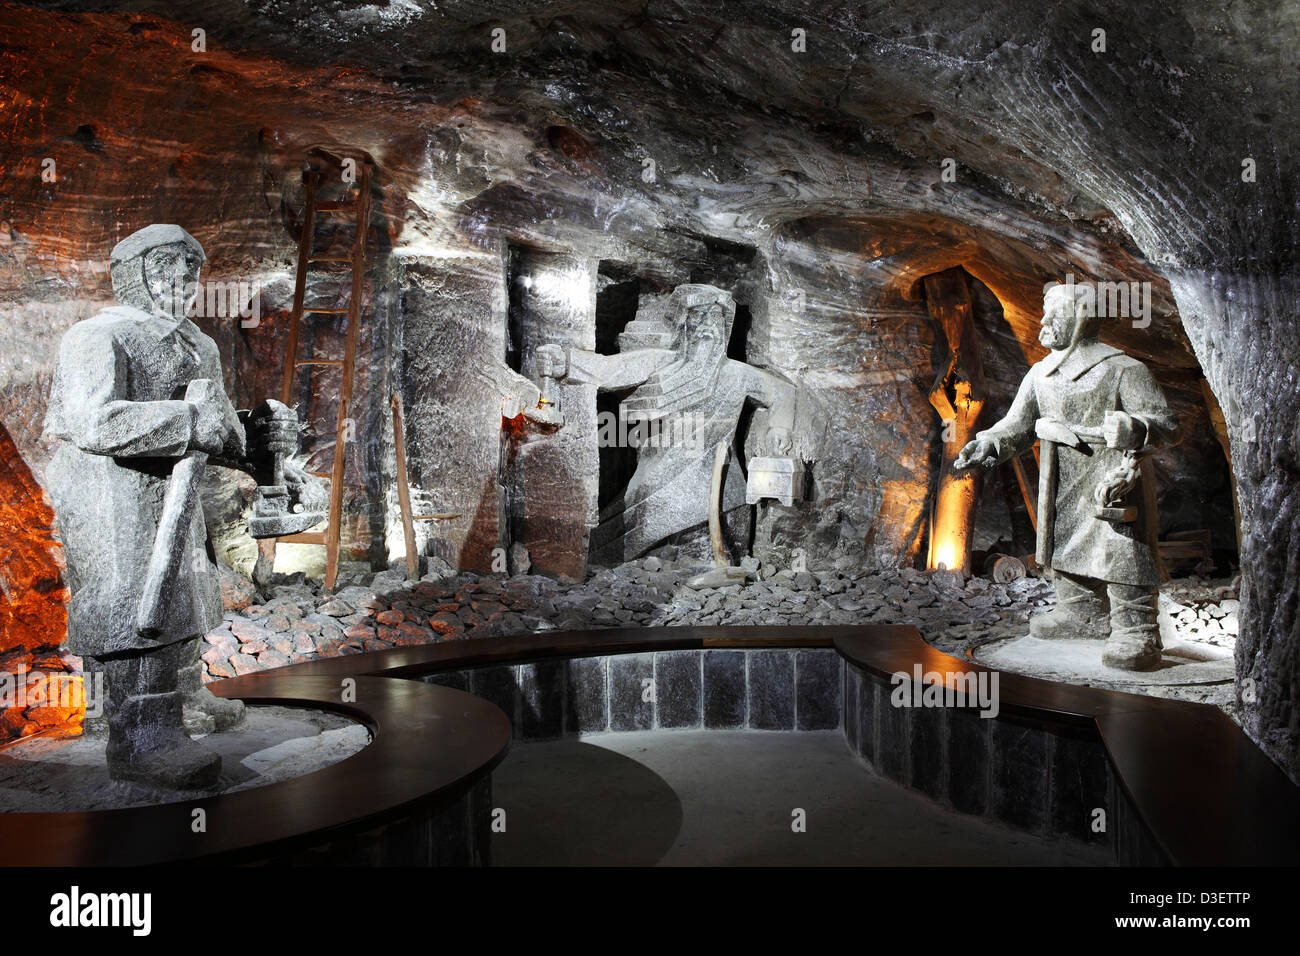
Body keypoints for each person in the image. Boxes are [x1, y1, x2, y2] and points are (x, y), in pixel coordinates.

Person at [43, 224, 299, 787]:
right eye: (166, 267)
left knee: (183, 591)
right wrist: (187, 422)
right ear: (132, 274)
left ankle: (183, 696)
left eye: (191, 270)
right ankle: (142, 735)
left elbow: (222, 429)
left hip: (175, 496)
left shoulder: (198, 344)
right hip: (113, 494)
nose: (182, 281)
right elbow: (93, 421)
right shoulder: (97, 337)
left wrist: (262, 437)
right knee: (136, 603)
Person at [954, 282, 1181, 670]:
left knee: (1121, 547)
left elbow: (1168, 425)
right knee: (1063, 539)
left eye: (1054, 315)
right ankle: (1082, 611)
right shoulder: (1041, 374)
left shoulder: (1124, 369)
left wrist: (1135, 427)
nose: (1043, 322)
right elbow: (1019, 424)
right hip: (1061, 475)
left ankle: (1135, 627)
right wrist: (988, 444)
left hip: (1111, 475)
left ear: (1080, 319)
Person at [536, 284, 798, 564]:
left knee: (715, 522)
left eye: (716, 319)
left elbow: (783, 393)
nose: (708, 326)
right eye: (699, 317)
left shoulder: (739, 375)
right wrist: (565, 361)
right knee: (644, 519)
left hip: (720, 480)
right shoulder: (660, 362)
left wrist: (779, 426)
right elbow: (609, 370)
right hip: (659, 474)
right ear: (684, 326)